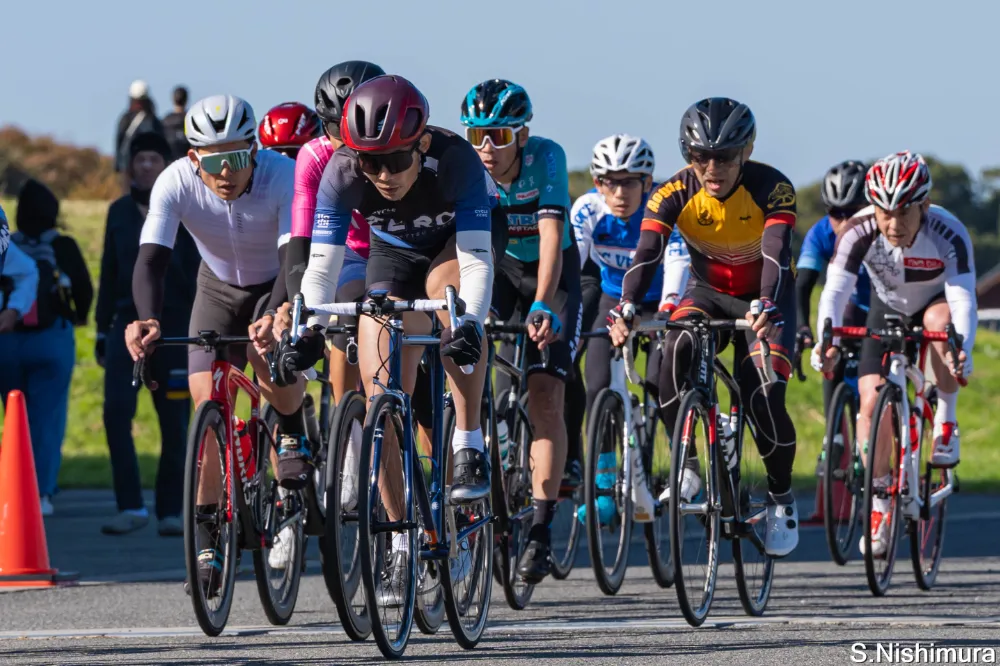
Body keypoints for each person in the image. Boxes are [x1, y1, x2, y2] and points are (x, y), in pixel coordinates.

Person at [279, 74, 505, 604]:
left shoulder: (455, 160)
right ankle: (402, 540)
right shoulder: (341, 172)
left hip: (458, 244)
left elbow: (476, 262)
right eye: (370, 162)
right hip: (394, 252)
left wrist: (469, 324)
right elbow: (321, 268)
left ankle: (468, 440)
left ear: (420, 144)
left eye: (396, 160)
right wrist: (307, 329)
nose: (382, 175)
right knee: (382, 392)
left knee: (450, 303)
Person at [124, 94, 304, 595]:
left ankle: (292, 428)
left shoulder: (281, 175)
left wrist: (275, 312)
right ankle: (208, 542)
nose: (227, 172)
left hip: (275, 283)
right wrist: (147, 320)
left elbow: (294, 257)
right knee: (205, 404)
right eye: (213, 161)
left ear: (255, 150)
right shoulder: (175, 181)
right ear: (192, 158)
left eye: (238, 157)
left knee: (268, 362)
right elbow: (151, 259)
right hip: (217, 288)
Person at [608, 97, 801, 558]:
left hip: (766, 296)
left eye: (725, 156)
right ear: (687, 154)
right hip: (707, 290)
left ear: (746, 151)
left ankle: (780, 495)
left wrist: (767, 303)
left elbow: (775, 252)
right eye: (700, 156)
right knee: (672, 350)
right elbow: (648, 253)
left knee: (762, 396)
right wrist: (627, 305)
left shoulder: (773, 188)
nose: (713, 168)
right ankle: (689, 463)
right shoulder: (672, 192)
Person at [813, 151, 976, 557]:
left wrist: (962, 348)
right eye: (885, 213)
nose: (893, 224)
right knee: (871, 403)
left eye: (904, 213)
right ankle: (880, 502)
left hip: (935, 304)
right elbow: (834, 292)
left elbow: (963, 298)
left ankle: (946, 419)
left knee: (941, 323)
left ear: (924, 205)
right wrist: (824, 341)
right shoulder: (858, 230)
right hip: (886, 309)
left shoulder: (948, 231)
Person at [460, 78, 581, 583]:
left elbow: (552, 237)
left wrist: (542, 303)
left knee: (545, 393)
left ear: (523, 135)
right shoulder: (470, 169)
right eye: (477, 136)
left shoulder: (546, 158)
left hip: (553, 274)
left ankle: (540, 529)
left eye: (500, 137)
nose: (487, 148)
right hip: (502, 270)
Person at [570, 134, 689, 517]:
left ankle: (683, 465)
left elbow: (678, 263)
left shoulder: (664, 208)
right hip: (613, 297)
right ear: (597, 182)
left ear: (647, 182)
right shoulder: (588, 209)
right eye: (609, 182)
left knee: (660, 382)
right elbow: (572, 266)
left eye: (629, 182)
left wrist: (667, 313)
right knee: (597, 384)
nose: (619, 193)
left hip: (661, 301)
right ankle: (604, 486)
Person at [96, 132, 200, 536]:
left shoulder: (185, 209)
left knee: (174, 423)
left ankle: (170, 511)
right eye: (139, 159)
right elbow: (109, 271)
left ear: (166, 165)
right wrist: (101, 328)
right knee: (115, 414)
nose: (145, 166)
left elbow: (198, 271)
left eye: (153, 158)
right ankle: (130, 506)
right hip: (126, 328)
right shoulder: (119, 211)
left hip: (174, 329)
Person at [0, 179, 93, 516]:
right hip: (53, 340)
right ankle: (40, 495)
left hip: (7, 341)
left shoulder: (9, 245)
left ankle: (11, 491)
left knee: (13, 419)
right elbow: (83, 288)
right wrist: (79, 317)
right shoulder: (63, 245)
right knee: (47, 421)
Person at [796, 160, 871, 413]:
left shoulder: (882, 231)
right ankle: (834, 430)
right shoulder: (820, 234)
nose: (844, 222)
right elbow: (803, 283)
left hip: (884, 306)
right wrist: (802, 327)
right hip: (850, 307)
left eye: (853, 212)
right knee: (831, 355)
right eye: (836, 213)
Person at [115, 80, 165, 175]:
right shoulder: (153, 120)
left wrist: (119, 166)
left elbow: (119, 141)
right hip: (149, 167)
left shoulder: (126, 119)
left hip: (129, 167)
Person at [162, 86, 191, 161]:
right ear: (186, 100)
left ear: (173, 99)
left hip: (170, 162)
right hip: (188, 161)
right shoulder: (190, 119)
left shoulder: (166, 121)